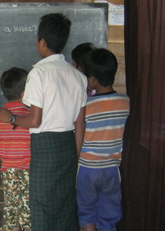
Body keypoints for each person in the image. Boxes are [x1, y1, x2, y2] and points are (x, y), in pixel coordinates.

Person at [0, 13, 87, 230]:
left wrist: (12, 119)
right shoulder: (78, 76)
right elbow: (80, 123)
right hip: (68, 146)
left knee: (42, 207)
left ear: (42, 42)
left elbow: (35, 120)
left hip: (44, 147)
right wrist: (74, 156)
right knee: (65, 207)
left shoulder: (38, 73)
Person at [77, 48, 129, 231]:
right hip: (112, 169)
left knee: (87, 213)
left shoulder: (86, 106)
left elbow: (79, 131)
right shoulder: (126, 103)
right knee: (109, 213)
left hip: (87, 168)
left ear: (92, 79)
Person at [0, 67, 31, 231]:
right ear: (24, 92)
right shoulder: (30, 115)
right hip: (29, 170)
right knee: (27, 212)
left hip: (8, 170)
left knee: (11, 210)